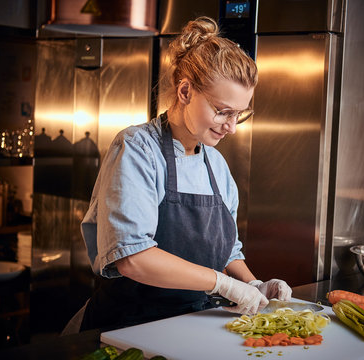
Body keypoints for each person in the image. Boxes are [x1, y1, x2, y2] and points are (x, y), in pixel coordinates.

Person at [78, 16, 292, 332]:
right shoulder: (138, 149)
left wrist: (253, 283)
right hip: (128, 327)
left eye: (240, 114)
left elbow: (227, 248)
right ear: (185, 92)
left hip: (192, 324)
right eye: (223, 111)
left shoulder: (217, 165)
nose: (231, 127)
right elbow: (132, 257)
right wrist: (223, 284)